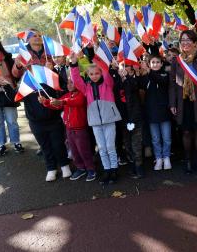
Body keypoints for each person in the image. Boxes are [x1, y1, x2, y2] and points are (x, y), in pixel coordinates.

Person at [12, 29, 70, 182]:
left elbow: (62, 71)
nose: (37, 38)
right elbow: (15, 74)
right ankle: (51, 167)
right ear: (28, 40)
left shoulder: (50, 52)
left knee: (58, 139)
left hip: (51, 93)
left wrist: (52, 70)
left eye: (39, 35)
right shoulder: (23, 54)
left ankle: (64, 164)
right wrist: (18, 66)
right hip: (32, 95)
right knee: (44, 141)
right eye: (34, 36)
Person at [70, 52, 122, 185]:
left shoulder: (107, 84)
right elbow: (76, 79)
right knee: (102, 147)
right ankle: (107, 170)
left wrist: (95, 58)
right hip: (95, 122)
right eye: (91, 74)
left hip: (109, 120)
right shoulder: (86, 87)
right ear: (88, 75)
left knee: (110, 146)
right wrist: (74, 64)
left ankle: (114, 169)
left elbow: (105, 72)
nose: (94, 76)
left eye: (97, 73)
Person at [169, 30, 197, 175]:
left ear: (194, 43)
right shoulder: (176, 61)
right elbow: (172, 85)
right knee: (186, 132)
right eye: (183, 40)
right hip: (183, 103)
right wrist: (172, 104)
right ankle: (188, 160)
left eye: (188, 40)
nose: (185, 43)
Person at [39, 76, 96, 181]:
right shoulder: (67, 95)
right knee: (74, 151)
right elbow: (57, 105)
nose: (69, 85)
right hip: (69, 128)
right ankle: (80, 168)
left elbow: (76, 102)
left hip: (80, 129)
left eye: (72, 83)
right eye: (68, 83)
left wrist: (61, 102)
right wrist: (46, 102)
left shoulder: (82, 95)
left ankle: (91, 169)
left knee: (84, 150)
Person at [139, 55, 172, 171]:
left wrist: (149, 72)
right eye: (153, 62)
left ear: (162, 64)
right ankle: (158, 158)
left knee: (166, 138)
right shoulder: (145, 77)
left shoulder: (165, 75)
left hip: (164, 112)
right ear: (149, 64)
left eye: (158, 62)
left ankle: (166, 157)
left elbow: (161, 81)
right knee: (155, 138)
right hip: (151, 113)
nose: (156, 64)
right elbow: (140, 86)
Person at [119, 64, 144, 178]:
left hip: (135, 118)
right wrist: (120, 78)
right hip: (123, 119)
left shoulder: (133, 81)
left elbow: (135, 86)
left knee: (136, 144)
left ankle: (139, 167)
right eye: (122, 66)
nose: (124, 68)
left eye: (127, 66)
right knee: (127, 144)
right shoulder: (117, 83)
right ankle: (132, 164)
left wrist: (127, 77)